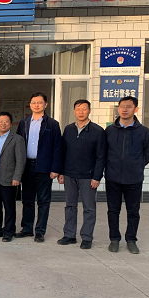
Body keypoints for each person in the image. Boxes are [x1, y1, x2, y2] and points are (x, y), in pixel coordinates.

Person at [105, 96, 149, 254]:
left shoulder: (143, 131)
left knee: (133, 211)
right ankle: (114, 239)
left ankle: (131, 240)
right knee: (113, 211)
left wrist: (137, 166)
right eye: (122, 106)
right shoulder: (110, 131)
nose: (124, 109)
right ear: (118, 109)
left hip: (134, 179)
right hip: (113, 177)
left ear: (136, 109)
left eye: (128, 106)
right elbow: (103, 152)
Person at [57, 99, 106, 249]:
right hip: (69, 175)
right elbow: (63, 152)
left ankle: (87, 237)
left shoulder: (98, 131)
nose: (81, 112)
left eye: (84, 109)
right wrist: (61, 172)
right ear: (74, 111)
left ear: (89, 111)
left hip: (88, 176)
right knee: (70, 206)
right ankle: (69, 235)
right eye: (78, 109)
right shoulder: (68, 129)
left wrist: (97, 177)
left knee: (89, 208)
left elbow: (101, 156)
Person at [16, 92, 62, 243]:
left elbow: (57, 147)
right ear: (30, 105)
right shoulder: (23, 122)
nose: (37, 105)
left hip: (44, 167)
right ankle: (27, 228)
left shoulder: (52, 124)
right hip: (27, 166)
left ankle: (40, 231)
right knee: (27, 200)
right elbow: (18, 145)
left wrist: (55, 169)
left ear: (45, 105)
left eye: (40, 102)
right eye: (34, 102)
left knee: (43, 201)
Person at [0, 112, 26, 242]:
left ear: (11, 123)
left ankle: (9, 231)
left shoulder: (17, 139)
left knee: (9, 207)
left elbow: (20, 160)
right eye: (1, 121)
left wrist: (17, 177)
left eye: (6, 121)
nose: (3, 124)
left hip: (9, 178)